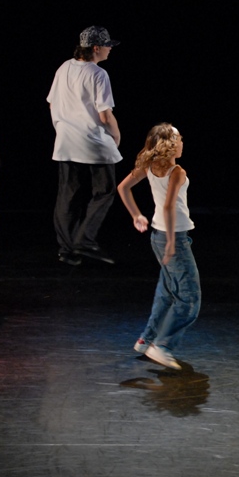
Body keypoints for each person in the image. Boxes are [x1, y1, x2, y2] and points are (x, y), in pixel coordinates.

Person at [117, 124, 200, 371]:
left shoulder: (150, 167)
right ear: (170, 145)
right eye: (179, 139)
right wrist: (173, 242)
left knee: (166, 293)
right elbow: (168, 207)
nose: (182, 142)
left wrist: (136, 215)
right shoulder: (177, 172)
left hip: (157, 236)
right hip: (173, 238)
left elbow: (123, 187)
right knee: (189, 299)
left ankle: (146, 339)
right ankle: (162, 346)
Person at [47, 25, 122, 265]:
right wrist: (116, 135)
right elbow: (105, 115)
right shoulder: (98, 74)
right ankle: (85, 240)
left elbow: (52, 103)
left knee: (67, 195)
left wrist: (62, 127)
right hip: (92, 141)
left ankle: (67, 249)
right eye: (107, 45)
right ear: (96, 48)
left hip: (66, 141)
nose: (110, 49)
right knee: (105, 190)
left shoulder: (63, 68)